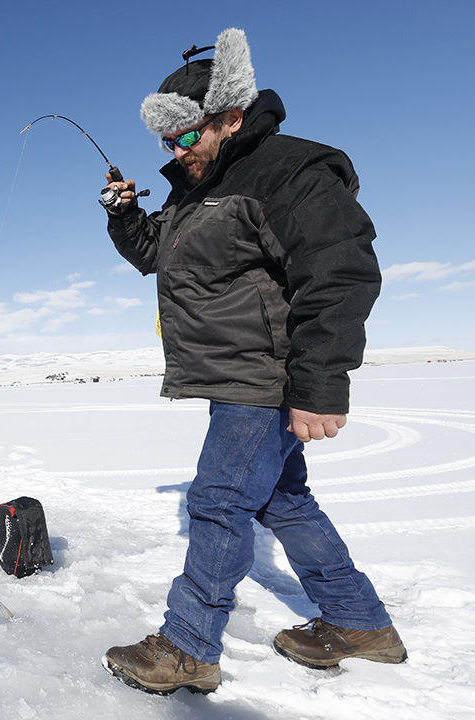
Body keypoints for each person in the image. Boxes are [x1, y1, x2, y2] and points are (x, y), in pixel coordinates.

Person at [100, 29, 405, 695]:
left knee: (217, 500)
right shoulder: (196, 188)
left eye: (185, 138)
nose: (176, 154)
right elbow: (158, 254)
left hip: (265, 377)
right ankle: (361, 624)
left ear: (231, 117)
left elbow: (340, 271)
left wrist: (321, 383)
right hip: (235, 374)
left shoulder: (286, 172)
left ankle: (188, 647)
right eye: (166, 143)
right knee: (283, 501)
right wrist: (126, 218)